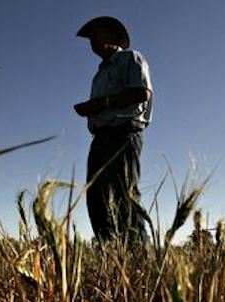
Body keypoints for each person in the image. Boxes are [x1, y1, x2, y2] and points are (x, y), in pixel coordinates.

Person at [74, 16, 153, 243]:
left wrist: (101, 104)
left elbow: (141, 93)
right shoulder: (99, 74)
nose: (93, 43)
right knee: (96, 197)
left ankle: (137, 255)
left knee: (124, 194)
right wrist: (91, 111)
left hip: (124, 133)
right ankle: (109, 253)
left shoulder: (131, 58)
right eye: (91, 40)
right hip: (101, 138)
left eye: (97, 36)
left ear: (112, 37)